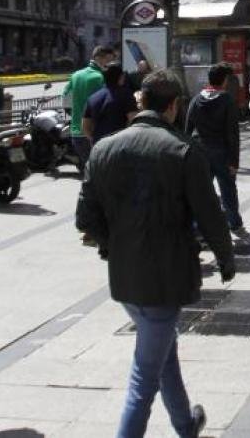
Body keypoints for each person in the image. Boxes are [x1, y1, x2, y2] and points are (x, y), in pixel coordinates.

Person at [77, 71, 236, 438]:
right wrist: (225, 258)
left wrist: (112, 244)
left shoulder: (104, 149)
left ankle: (185, 424)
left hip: (125, 275)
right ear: (174, 106)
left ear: (142, 101)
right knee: (143, 379)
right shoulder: (183, 151)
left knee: (163, 353)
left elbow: (85, 218)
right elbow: (210, 215)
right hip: (166, 277)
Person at [185, 62, 243, 234]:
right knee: (227, 189)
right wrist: (234, 161)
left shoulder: (196, 99)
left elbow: (187, 129)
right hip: (221, 151)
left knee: (201, 189)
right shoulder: (227, 100)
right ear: (224, 80)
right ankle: (234, 222)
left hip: (200, 149)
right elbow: (232, 133)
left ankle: (195, 224)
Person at [69, 45, 117, 167]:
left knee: (88, 169)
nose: (111, 64)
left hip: (76, 131)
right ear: (98, 58)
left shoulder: (76, 75)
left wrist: (77, 114)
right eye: (109, 60)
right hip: (95, 133)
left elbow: (65, 100)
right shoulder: (101, 77)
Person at [83, 63, 138, 145]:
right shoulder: (126, 95)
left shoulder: (93, 98)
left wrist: (94, 139)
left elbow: (85, 125)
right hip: (120, 144)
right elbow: (133, 120)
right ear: (121, 77)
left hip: (99, 144)